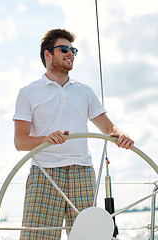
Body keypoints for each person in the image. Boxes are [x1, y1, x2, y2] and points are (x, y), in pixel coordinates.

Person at [13, 28, 134, 240]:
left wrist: (122, 134)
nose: (70, 53)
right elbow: (20, 142)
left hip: (82, 171)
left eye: (73, 50)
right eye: (64, 49)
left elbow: (108, 128)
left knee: (90, 237)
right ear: (47, 54)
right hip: (45, 174)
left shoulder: (84, 91)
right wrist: (46, 139)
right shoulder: (28, 92)